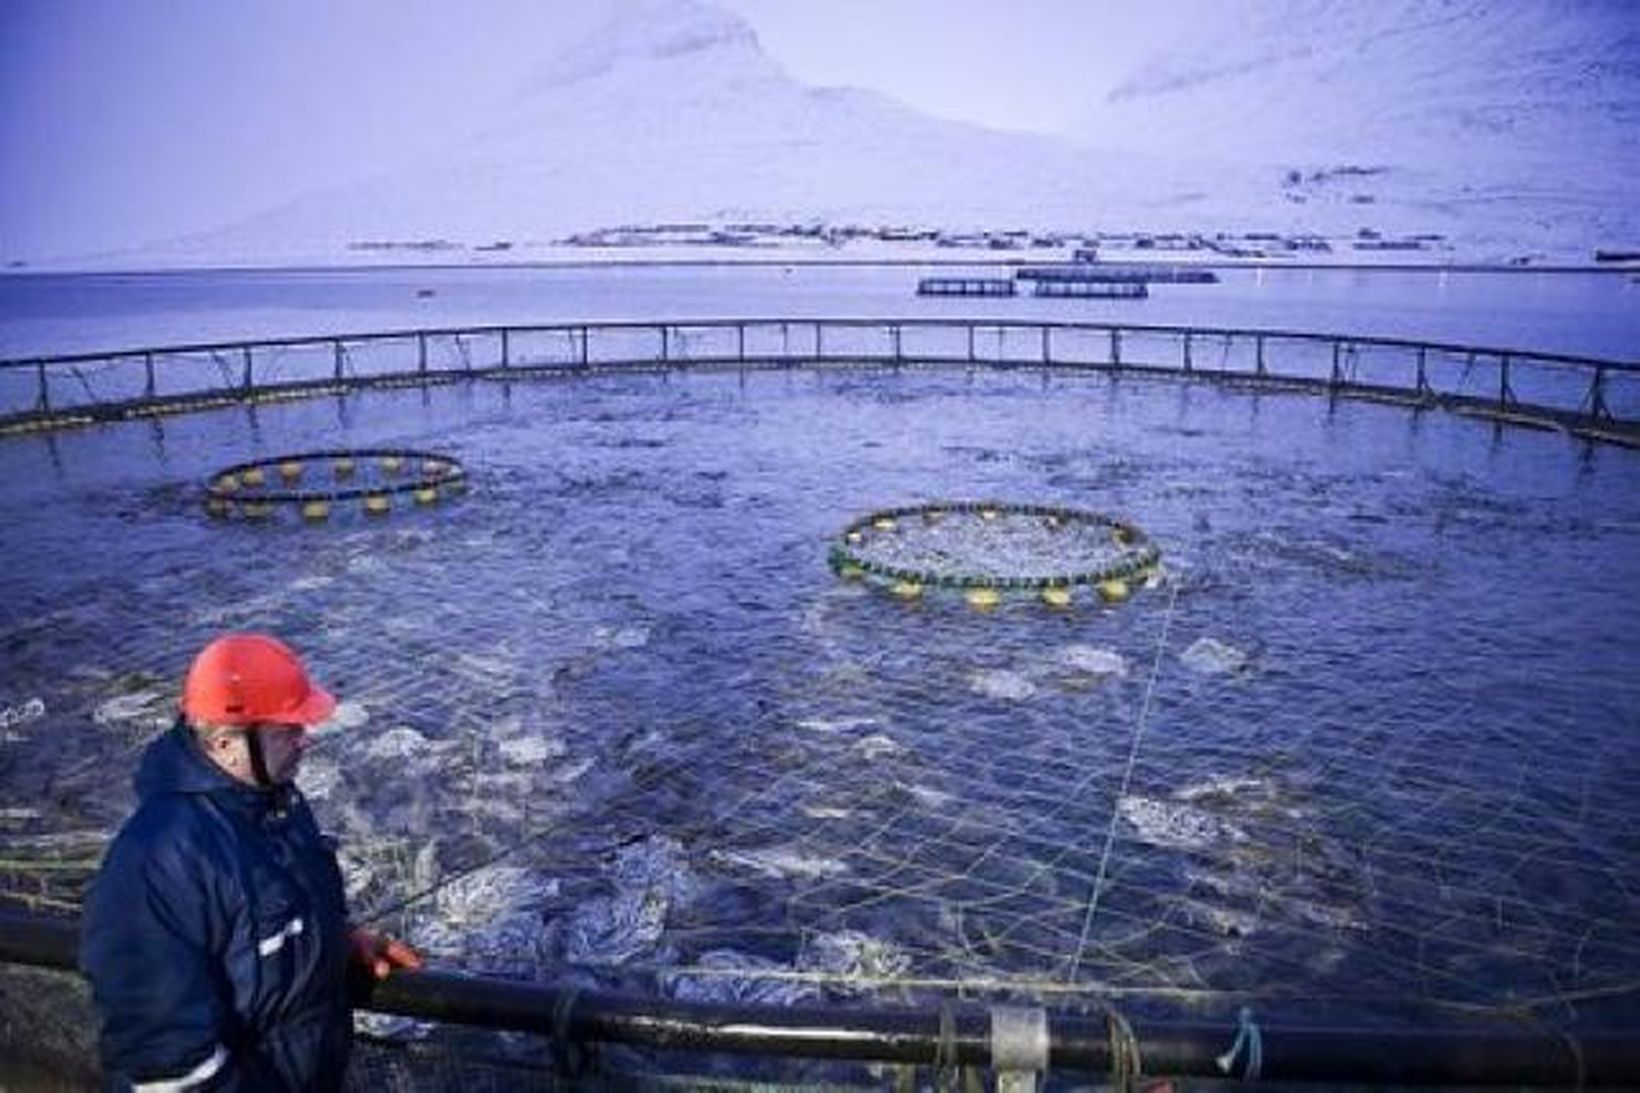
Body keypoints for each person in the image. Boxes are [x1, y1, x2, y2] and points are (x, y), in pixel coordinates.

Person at [80, 632, 422, 1091]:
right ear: (226, 744)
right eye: (288, 731)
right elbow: (166, 1058)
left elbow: (262, 922)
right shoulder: (155, 860)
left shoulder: (275, 803)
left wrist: (339, 942)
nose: (305, 742)